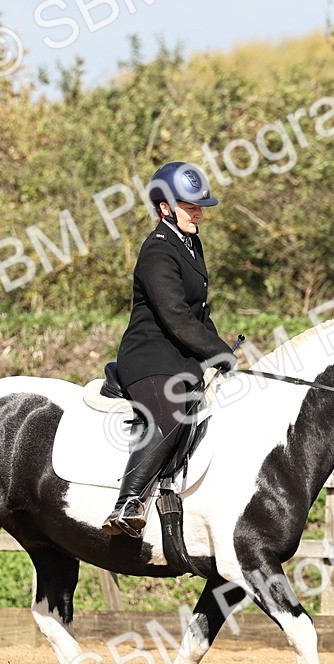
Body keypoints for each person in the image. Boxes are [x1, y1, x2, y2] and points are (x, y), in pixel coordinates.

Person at [102, 161, 238, 538]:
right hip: (150, 358)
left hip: (180, 357)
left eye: (199, 206)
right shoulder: (157, 252)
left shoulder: (191, 243)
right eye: (191, 206)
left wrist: (225, 355)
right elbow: (176, 317)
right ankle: (128, 501)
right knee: (173, 412)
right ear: (165, 207)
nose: (199, 213)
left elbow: (199, 313)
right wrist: (217, 351)